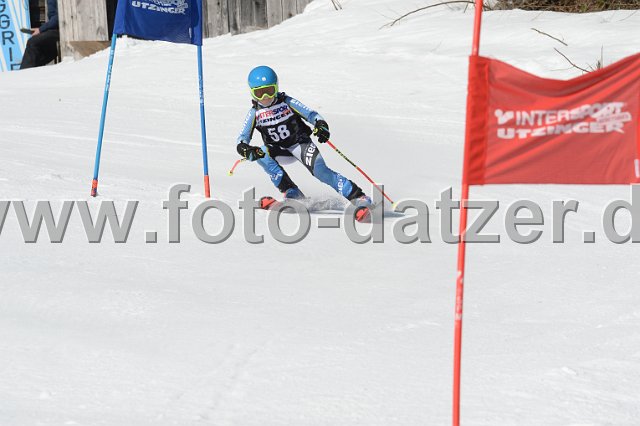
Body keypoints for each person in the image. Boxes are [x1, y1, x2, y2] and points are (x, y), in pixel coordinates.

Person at [236, 65, 372, 219]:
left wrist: (321, 126)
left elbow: (311, 115)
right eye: (259, 93)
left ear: (276, 87)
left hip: (300, 145)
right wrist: (246, 149)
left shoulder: (287, 102)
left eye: (270, 91)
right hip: (280, 150)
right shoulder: (254, 113)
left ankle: (358, 197)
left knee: (321, 172)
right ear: (252, 93)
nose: (265, 97)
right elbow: (242, 139)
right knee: (261, 154)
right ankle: (292, 192)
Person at [20, 0, 59, 69]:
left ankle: (24, 72)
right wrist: (41, 29)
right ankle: (32, 71)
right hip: (54, 30)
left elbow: (57, 18)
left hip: (61, 30)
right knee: (38, 49)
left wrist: (40, 29)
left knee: (32, 42)